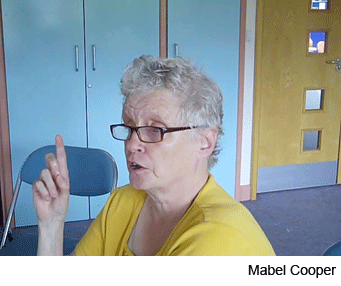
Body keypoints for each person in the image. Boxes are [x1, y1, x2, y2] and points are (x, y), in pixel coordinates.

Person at [33, 55, 275, 256]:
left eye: (155, 129)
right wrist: (52, 225)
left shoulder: (221, 238)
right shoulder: (123, 201)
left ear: (204, 142)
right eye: (129, 127)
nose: (131, 144)